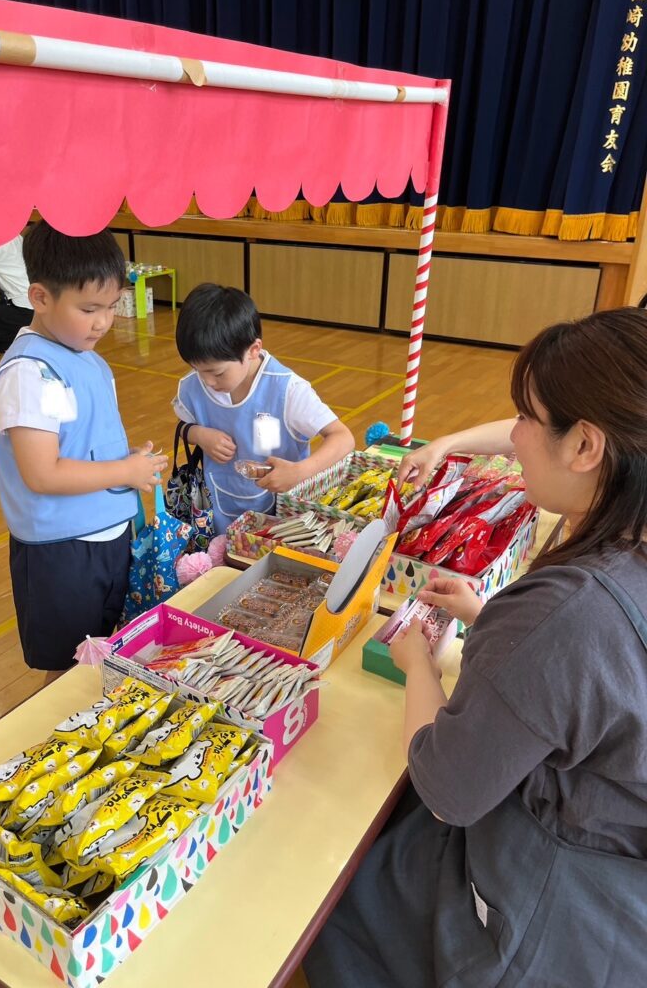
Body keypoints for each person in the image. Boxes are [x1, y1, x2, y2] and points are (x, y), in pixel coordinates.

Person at [304, 308, 647, 987]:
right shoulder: (611, 568)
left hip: (552, 913)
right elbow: (596, 684)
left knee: (330, 886)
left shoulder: (566, 612)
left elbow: (447, 792)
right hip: (622, 883)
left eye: (525, 416)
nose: (513, 437)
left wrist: (419, 666)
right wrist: (495, 622)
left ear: (585, 445)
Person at [0, 221, 168, 679]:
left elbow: (82, 443)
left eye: (111, 306)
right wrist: (124, 471)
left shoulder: (87, 358)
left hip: (108, 535)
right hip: (62, 551)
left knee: (108, 653)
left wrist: (127, 458)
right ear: (40, 297)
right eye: (89, 309)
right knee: (69, 670)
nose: (103, 322)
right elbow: (42, 473)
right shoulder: (29, 373)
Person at [172, 284, 355, 533]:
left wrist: (300, 472)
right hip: (219, 513)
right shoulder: (193, 386)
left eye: (217, 373)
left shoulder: (287, 390)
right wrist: (199, 434)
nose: (207, 382)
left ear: (253, 350)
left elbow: (343, 437)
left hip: (285, 523)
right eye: (197, 369)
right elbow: (184, 426)